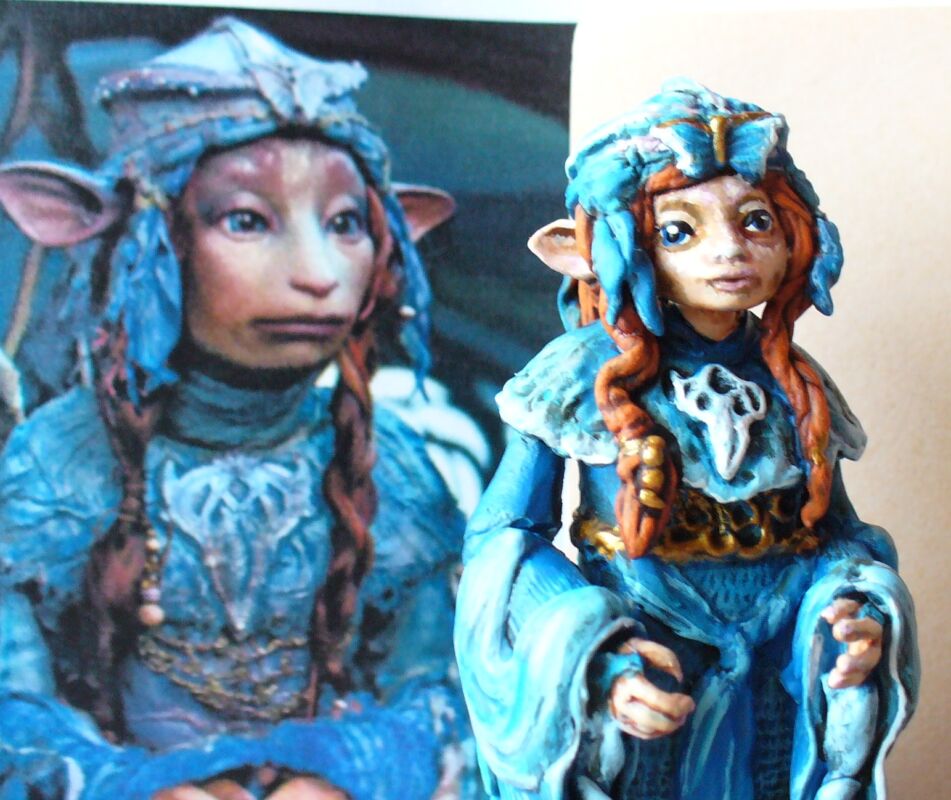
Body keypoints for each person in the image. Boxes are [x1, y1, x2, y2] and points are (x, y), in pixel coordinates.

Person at [0, 17, 475, 800]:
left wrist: (349, 772)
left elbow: (445, 688)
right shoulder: (58, 465)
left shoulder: (389, 466)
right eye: (247, 219)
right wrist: (133, 787)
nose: (318, 273)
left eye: (346, 224)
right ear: (146, 242)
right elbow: (11, 707)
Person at [454, 81, 919, 800]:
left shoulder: (797, 386)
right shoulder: (574, 374)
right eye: (679, 231)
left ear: (796, 235)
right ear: (612, 247)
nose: (729, 250)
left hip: (774, 684)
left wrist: (854, 613)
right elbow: (505, 539)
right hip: (647, 674)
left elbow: (835, 536)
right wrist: (593, 657)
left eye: (755, 221)